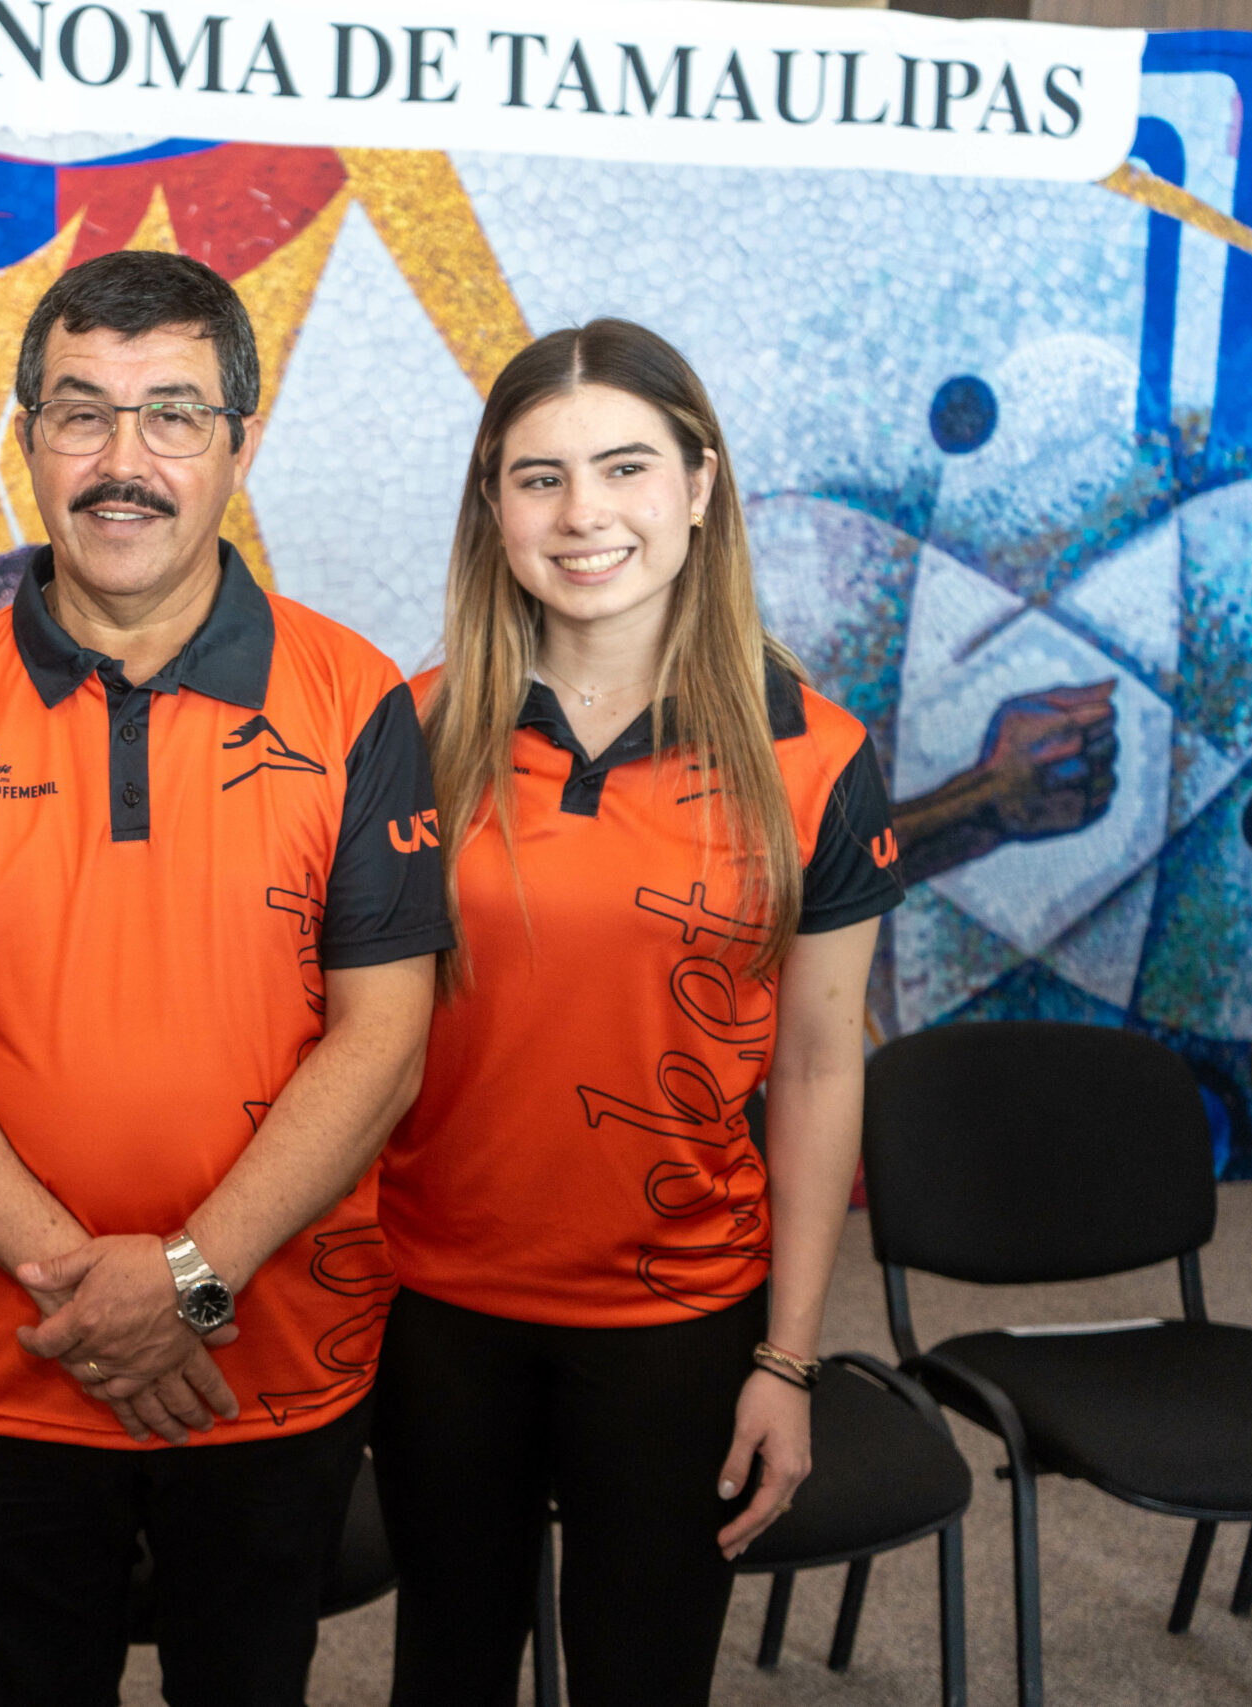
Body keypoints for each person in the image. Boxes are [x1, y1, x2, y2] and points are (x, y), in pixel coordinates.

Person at [0, 249, 451, 1707]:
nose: (125, 462)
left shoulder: (355, 696)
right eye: (81, 414)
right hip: (13, 1342)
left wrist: (188, 1279)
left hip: (273, 1344)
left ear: (239, 442)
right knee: (34, 1683)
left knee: (248, 1682)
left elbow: (385, 1040)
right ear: (26, 440)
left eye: (173, 414)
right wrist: (97, 1291)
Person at [369, 319, 905, 1706]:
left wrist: (787, 1357)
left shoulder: (819, 755)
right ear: (492, 505)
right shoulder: (409, 737)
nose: (585, 514)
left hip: (680, 1315)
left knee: (643, 1677)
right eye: (540, 477)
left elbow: (816, 1070)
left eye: (624, 468)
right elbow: (349, 1046)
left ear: (701, 486)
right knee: (447, 1667)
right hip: (435, 1304)